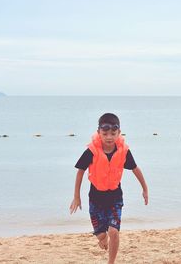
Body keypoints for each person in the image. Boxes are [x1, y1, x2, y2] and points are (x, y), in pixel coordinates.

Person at [69, 113, 148, 264]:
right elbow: (80, 172)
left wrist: (145, 188)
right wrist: (77, 196)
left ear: (119, 133)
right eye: (105, 133)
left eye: (113, 133)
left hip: (115, 198)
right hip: (95, 199)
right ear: (98, 132)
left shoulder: (123, 151)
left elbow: (135, 169)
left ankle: (111, 262)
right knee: (101, 235)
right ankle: (102, 238)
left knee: (114, 232)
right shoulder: (91, 152)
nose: (109, 137)